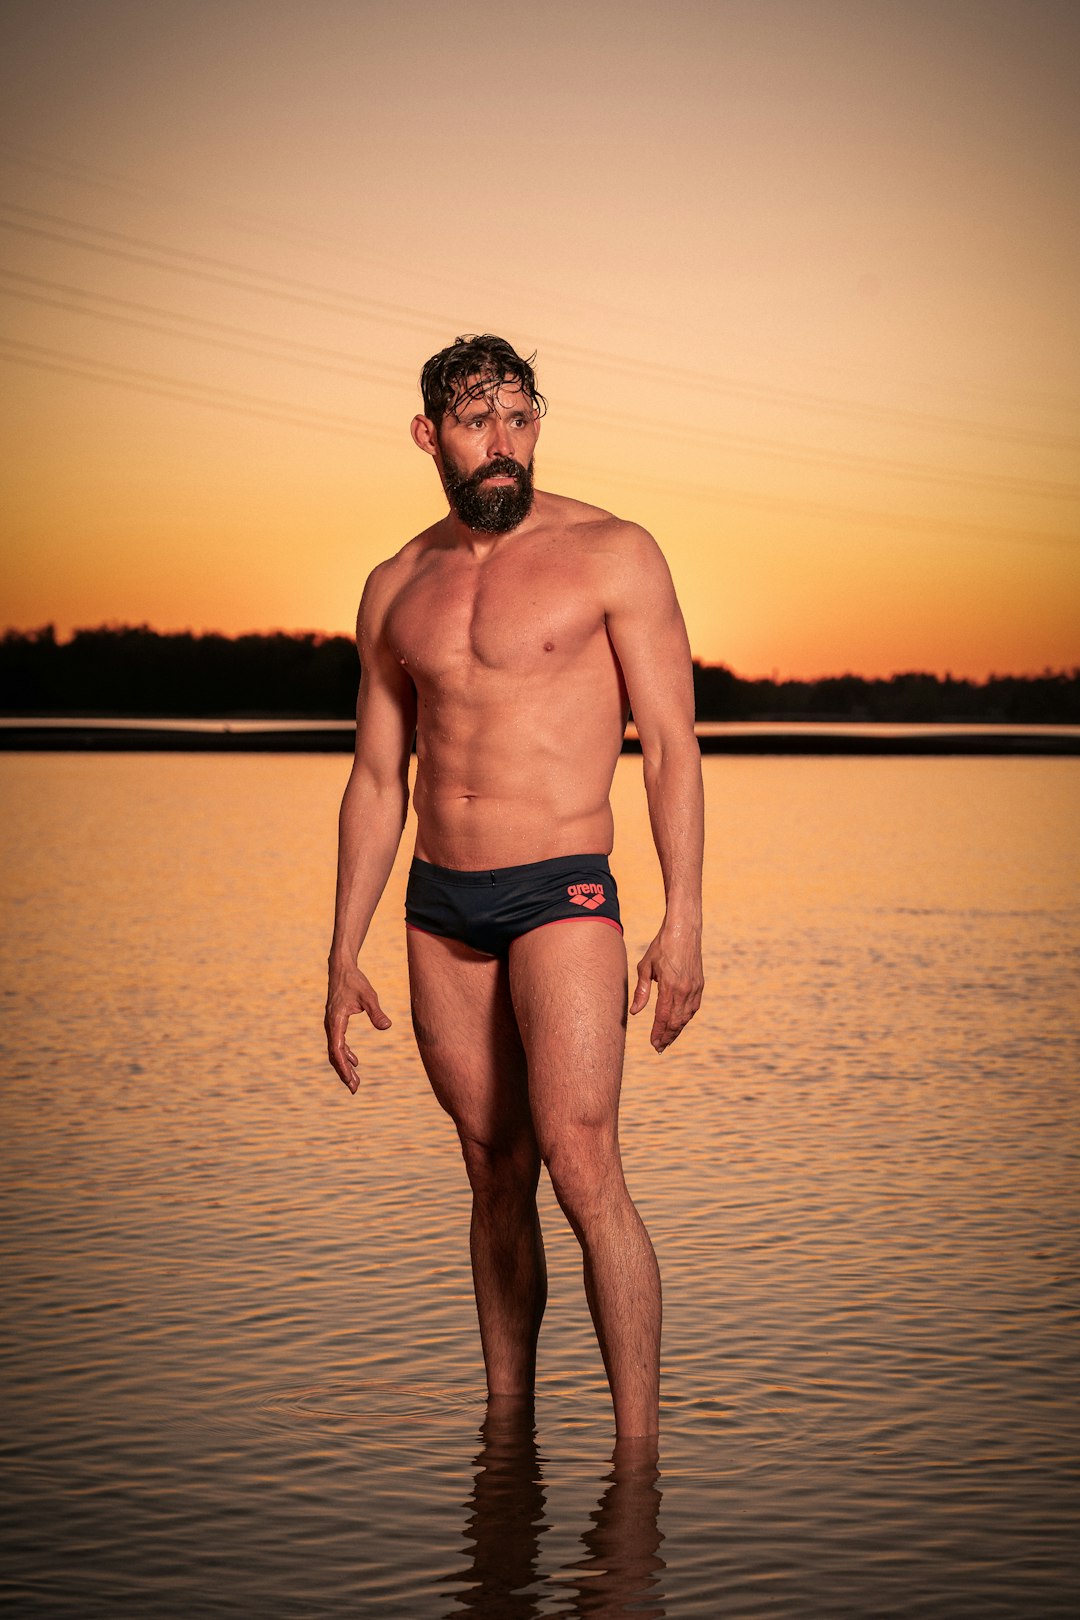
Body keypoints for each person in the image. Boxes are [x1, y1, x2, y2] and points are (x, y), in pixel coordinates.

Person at [325, 334, 704, 1438]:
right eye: (478, 422)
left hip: (564, 893)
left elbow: (673, 746)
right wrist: (340, 951)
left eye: (521, 419)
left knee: (582, 1160)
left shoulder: (613, 554)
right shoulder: (395, 585)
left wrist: (683, 922)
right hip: (439, 909)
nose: (505, 445)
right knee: (493, 1169)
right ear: (428, 435)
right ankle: (507, 1443)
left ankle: (638, 1460)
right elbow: (374, 774)